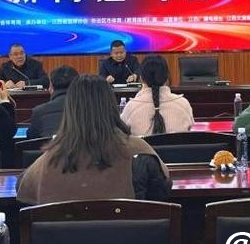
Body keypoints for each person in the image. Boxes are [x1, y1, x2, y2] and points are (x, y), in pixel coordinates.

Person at [16, 75, 172, 205]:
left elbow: (23, 188)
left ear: (70, 110)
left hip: (66, 234)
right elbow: (162, 192)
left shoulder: (50, 158)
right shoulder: (138, 150)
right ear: (111, 104)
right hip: (126, 232)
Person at [121, 56, 194, 136]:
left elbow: (122, 135)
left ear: (141, 79)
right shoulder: (183, 104)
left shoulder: (131, 107)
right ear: (167, 77)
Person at [26, 65, 79, 139]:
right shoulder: (89, 108)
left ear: (51, 87)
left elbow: (31, 138)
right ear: (77, 85)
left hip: (50, 146)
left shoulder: (39, 111)